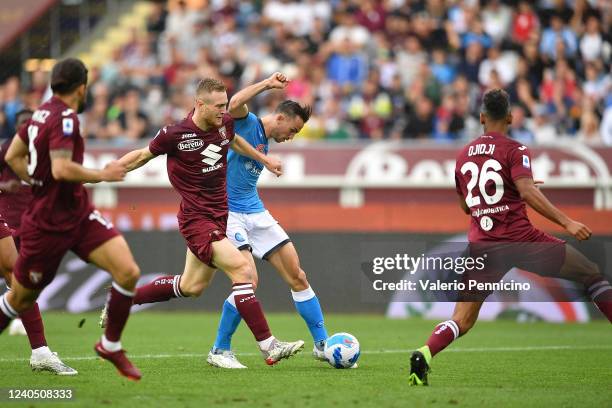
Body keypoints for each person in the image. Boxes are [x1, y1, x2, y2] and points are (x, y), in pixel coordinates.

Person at [408, 89, 612, 386]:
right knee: (591, 274)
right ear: (510, 117)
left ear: (481, 118)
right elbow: (528, 192)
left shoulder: (463, 155)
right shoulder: (515, 150)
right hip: (520, 240)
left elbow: (467, 206)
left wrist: (511, 187)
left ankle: (425, 352)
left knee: (462, 320)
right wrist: (567, 222)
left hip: (481, 246)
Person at [101, 77, 305, 365]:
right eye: (219, 106)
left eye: (225, 105)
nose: (224, 111)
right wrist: (109, 171)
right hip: (197, 219)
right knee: (243, 271)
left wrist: (264, 159)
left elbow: (233, 140)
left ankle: (121, 299)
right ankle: (268, 344)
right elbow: (142, 156)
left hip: (218, 215)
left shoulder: (224, 125)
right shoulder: (175, 134)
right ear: (200, 104)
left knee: (191, 286)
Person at [0, 58, 144, 381]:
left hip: (78, 213)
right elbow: (61, 169)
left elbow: (12, 156)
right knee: (18, 298)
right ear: (82, 87)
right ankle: (44, 350)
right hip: (48, 222)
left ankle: (110, 344)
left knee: (128, 271)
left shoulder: (38, 114)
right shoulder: (65, 118)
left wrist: (35, 181)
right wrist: (103, 174)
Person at [206, 72, 332, 369]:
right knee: (247, 279)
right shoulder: (245, 122)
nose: (292, 136)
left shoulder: (268, 140)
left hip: (255, 210)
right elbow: (234, 101)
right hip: (230, 213)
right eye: (294, 129)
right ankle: (219, 349)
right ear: (280, 117)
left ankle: (322, 344)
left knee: (297, 275)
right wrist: (266, 84)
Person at [0, 109, 77, 375]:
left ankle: (40, 351)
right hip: (10, 219)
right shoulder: (8, 148)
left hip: (24, 223)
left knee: (18, 276)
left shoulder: (45, 152)